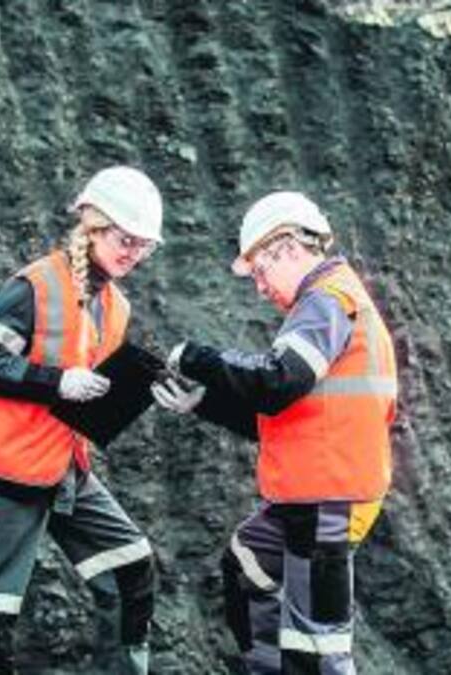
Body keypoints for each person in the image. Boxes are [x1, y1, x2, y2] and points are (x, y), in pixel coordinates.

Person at [152, 191, 398, 674]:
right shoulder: (329, 304)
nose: (260, 287)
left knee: (319, 651)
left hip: (328, 499)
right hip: (315, 494)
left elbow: (276, 381)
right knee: (247, 566)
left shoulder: (327, 302)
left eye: (261, 271)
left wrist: (197, 359)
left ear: (287, 247)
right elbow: (292, 416)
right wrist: (203, 401)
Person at [0, 165, 163, 674]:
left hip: (64, 467)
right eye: (125, 239)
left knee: (131, 569)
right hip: (3, 475)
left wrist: (145, 390)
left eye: (143, 246)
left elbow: (88, 396)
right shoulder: (37, 285)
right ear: (93, 225)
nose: (133, 253)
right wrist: (57, 381)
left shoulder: (115, 305)